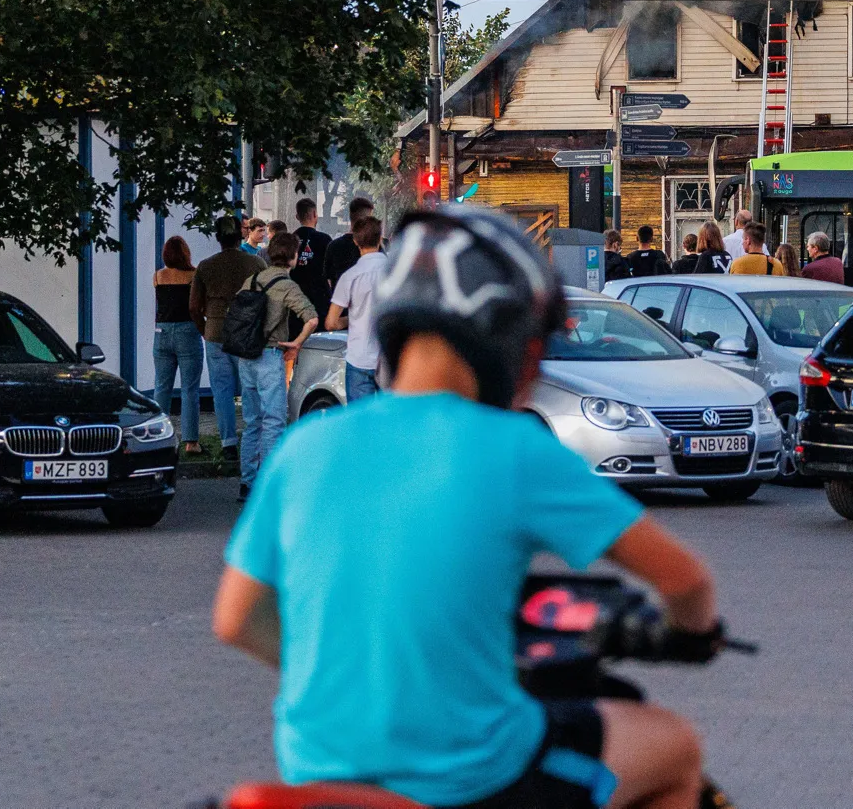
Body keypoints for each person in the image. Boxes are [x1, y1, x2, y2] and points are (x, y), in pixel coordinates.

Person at [212, 208, 719, 809]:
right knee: (675, 747)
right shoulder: (514, 449)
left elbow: (236, 620)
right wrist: (690, 635)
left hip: (317, 770)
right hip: (473, 773)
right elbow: (684, 579)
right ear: (510, 346)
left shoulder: (306, 445)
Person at [237, 232, 321, 502]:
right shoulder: (287, 285)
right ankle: (269, 485)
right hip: (270, 356)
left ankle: (247, 481)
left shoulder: (252, 279)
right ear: (293, 257)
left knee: (252, 422)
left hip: (245, 357)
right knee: (274, 421)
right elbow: (312, 319)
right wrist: (296, 344)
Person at [188, 217, 266, 469]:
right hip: (245, 333)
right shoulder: (255, 262)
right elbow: (267, 297)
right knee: (250, 388)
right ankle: (253, 441)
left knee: (221, 391)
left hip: (215, 332)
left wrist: (205, 329)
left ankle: (228, 443)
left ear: (218, 238)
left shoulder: (206, 266)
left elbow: (193, 306)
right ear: (239, 235)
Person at [325, 214, 387, 404]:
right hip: (388, 359)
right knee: (393, 423)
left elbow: (331, 322)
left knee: (361, 424)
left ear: (355, 241)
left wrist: (351, 319)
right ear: (380, 238)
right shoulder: (396, 271)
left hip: (359, 357)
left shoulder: (350, 277)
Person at [153, 236, 205, 456]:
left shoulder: (158, 276)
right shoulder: (193, 276)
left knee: (161, 388)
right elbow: (197, 306)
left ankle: (157, 436)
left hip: (161, 331)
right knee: (189, 389)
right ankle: (191, 441)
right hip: (187, 330)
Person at [323, 197, 377, 300]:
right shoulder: (373, 248)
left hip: (340, 310)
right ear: (366, 221)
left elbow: (328, 281)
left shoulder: (333, 246)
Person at [290, 199, 334, 320]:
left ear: (297, 216)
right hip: (320, 301)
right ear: (315, 214)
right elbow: (330, 273)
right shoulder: (325, 239)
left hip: (294, 302)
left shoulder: (290, 240)